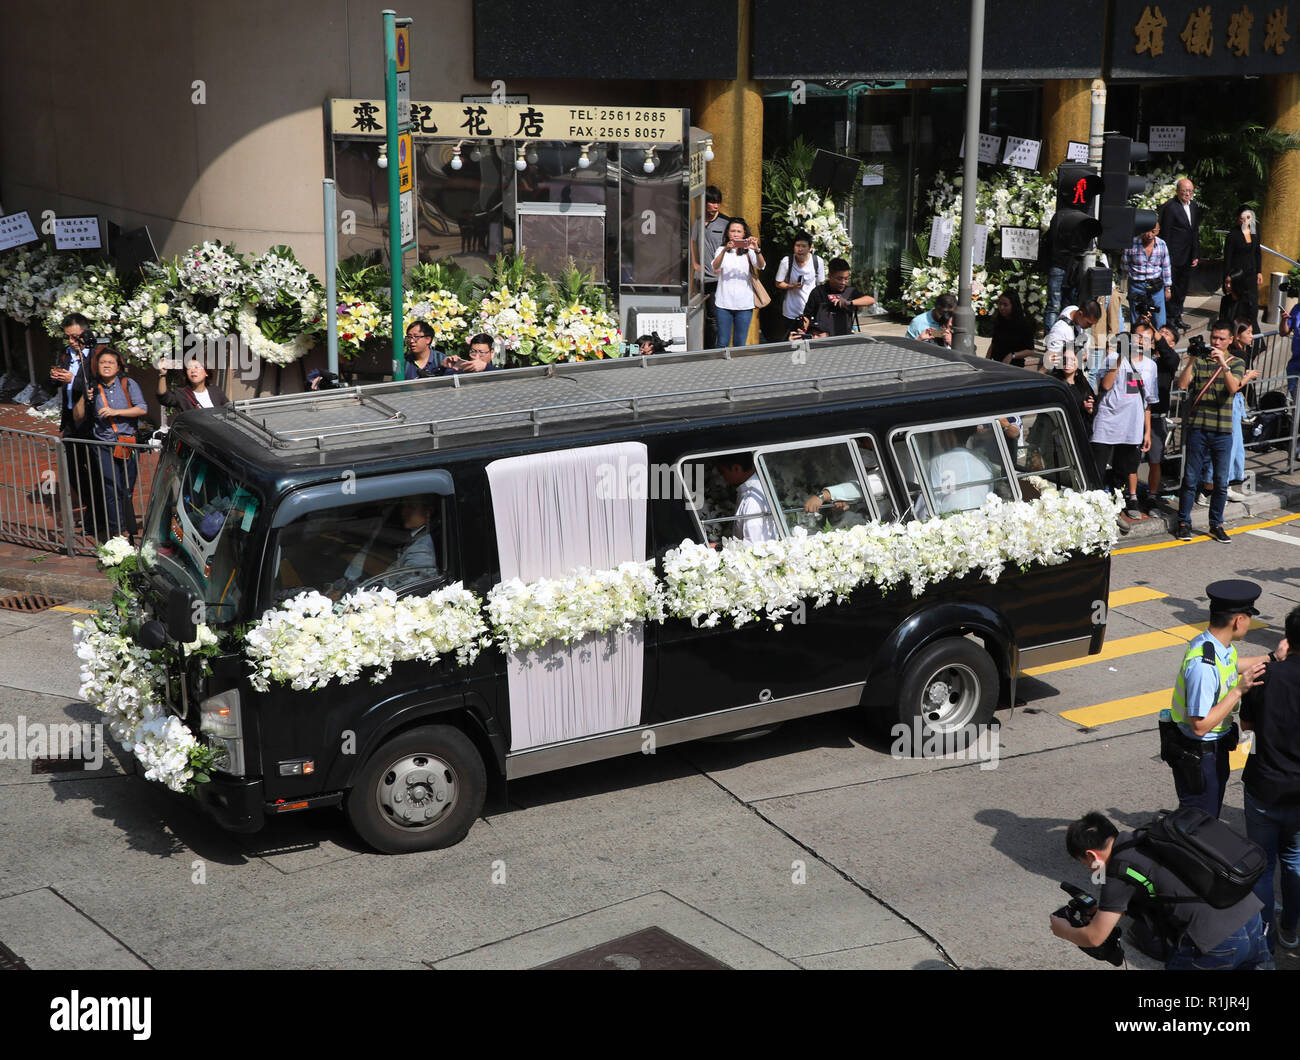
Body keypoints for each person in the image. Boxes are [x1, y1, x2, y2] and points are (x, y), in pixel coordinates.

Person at [1051, 811, 1272, 970]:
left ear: (1091, 855)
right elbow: (1167, 884)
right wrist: (1108, 911)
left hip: (1214, 943)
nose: (1090, 869)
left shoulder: (1118, 870)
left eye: (1085, 863)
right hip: (1251, 918)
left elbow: (1094, 937)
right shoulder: (1148, 837)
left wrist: (1063, 930)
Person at [1164, 580, 1272, 817]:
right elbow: (1200, 725)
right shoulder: (1203, 665)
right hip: (1200, 757)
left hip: (1213, 752)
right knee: (1200, 825)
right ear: (1238, 620)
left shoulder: (1215, 645)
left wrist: (1271, 657)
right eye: (1249, 617)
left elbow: (1232, 666)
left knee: (1205, 819)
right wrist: (1239, 691)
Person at [1240, 605, 1300, 952]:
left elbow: (1247, 725)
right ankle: (1290, 929)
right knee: (1294, 861)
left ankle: (1264, 941)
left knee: (1262, 865)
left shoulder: (1267, 675)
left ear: (1288, 640)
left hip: (1264, 786)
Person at [1174, 320, 1244, 542]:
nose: (1216, 342)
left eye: (1222, 339)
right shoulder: (1201, 359)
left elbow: (1233, 388)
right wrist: (1192, 359)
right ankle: (1184, 522)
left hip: (1222, 431)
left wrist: (1223, 364)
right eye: (1214, 337)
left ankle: (1216, 523)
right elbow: (1183, 385)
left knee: (1221, 481)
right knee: (1191, 478)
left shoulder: (1237, 362)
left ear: (1231, 340)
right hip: (1198, 428)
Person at [74, 349, 147, 542]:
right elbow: (78, 417)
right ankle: (117, 531)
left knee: (127, 488)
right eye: (102, 362)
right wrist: (84, 397)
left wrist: (116, 411)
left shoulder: (128, 384)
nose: (106, 365)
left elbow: (142, 408)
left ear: (118, 366)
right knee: (111, 487)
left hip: (127, 443)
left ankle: (128, 527)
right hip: (103, 445)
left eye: (110, 362)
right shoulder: (93, 387)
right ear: (97, 367)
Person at [1090, 323, 1158, 519]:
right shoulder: (1112, 358)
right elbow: (1105, 384)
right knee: (1098, 466)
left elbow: (1148, 402)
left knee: (1124, 468)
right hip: (1108, 421)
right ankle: (1093, 505)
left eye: (1145, 339)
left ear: (1151, 344)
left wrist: (1147, 431)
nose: (1139, 341)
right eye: (1136, 336)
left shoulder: (1151, 366)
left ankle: (1116, 503)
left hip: (1132, 425)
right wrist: (1120, 358)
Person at [1143, 325, 1183, 509]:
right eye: (1160, 331)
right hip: (1137, 413)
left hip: (1157, 416)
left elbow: (1167, 354)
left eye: (1166, 334)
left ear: (1173, 343)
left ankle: (1152, 494)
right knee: (1130, 458)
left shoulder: (1171, 359)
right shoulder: (1143, 355)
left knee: (1155, 459)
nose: (1160, 335)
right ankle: (1130, 493)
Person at [710, 217, 765, 348]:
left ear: (744, 233)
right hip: (724, 303)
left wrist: (757, 249)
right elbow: (715, 267)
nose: (735, 234)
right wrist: (725, 250)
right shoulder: (721, 249)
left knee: (740, 343)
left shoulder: (749, 251)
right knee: (722, 341)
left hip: (744, 304)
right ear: (727, 233)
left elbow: (761, 265)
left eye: (739, 231)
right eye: (732, 231)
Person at [1158, 178, 1201, 333]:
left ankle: (1178, 316)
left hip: (1188, 255)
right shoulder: (1171, 207)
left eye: (1190, 191)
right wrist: (1165, 257)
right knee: (1172, 288)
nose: (1187, 194)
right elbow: (1166, 233)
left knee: (1183, 288)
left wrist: (1195, 253)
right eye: (1184, 191)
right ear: (1177, 191)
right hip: (1173, 255)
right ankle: (1170, 319)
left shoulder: (1194, 206)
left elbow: (1194, 231)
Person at [1226, 319, 1262, 499]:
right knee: (1231, 446)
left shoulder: (1241, 353)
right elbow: (1235, 384)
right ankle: (1222, 486)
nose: (1251, 336)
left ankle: (1227, 484)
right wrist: (1248, 376)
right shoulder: (1238, 356)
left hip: (1235, 404)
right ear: (1237, 336)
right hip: (1231, 404)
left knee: (1236, 446)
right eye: (1248, 332)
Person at [691, 186, 730, 348]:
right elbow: (692, 242)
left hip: (717, 278)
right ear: (705, 203)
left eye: (717, 202)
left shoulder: (726, 222)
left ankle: (712, 349)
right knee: (702, 315)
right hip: (700, 278)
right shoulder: (699, 221)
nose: (715, 205)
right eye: (712, 202)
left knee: (714, 317)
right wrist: (695, 263)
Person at [800, 258, 876, 338]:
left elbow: (871, 300)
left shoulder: (851, 291)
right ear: (829, 276)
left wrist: (849, 302)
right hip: (822, 340)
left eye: (846, 279)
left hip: (844, 339)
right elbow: (807, 316)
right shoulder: (818, 292)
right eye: (839, 279)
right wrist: (804, 330)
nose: (843, 282)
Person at [714, 454, 777, 543]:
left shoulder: (752, 500)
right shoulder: (756, 486)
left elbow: (752, 545)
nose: (722, 476)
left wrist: (719, 547)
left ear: (736, 468)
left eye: (722, 472)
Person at [774, 231, 825, 336]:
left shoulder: (817, 261)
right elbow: (778, 283)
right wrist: (791, 286)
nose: (800, 249)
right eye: (797, 245)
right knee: (791, 343)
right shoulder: (787, 261)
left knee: (810, 343)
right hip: (791, 311)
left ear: (810, 248)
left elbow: (820, 285)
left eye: (803, 246)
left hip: (810, 311)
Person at [1121, 223, 1172, 330]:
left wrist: (1167, 288)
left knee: (1159, 319)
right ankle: (1137, 345)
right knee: (1137, 318)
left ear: (1158, 230)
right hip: (1137, 286)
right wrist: (1135, 274)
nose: (1149, 235)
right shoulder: (1132, 243)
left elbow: (1166, 267)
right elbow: (1125, 264)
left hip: (1156, 286)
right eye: (1147, 231)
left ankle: (1158, 344)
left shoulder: (1162, 244)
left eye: (1153, 231)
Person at [1223, 206, 1263, 330]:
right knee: (1239, 306)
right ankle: (1237, 333)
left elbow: (1257, 253)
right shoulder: (1232, 235)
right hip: (1238, 275)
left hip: (1251, 275)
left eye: (1248, 217)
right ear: (1238, 219)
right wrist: (1227, 278)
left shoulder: (1254, 233)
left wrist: (1259, 272)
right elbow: (1227, 258)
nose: (1246, 220)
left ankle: (1252, 333)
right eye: (1242, 218)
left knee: (1253, 306)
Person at [1044, 301, 1102, 369]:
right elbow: (1049, 361)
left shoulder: (1073, 309)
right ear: (1080, 314)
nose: (1090, 326)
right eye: (1088, 323)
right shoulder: (1060, 330)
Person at [157, 357, 228, 411]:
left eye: (197, 367)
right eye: (189, 368)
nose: (193, 370)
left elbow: (228, 408)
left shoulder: (215, 391)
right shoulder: (181, 394)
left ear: (206, 373)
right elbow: (164, 398)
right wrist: (162, 375)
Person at [987, 288, 1036, 365]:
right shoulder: (999, 320)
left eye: (1005, 305)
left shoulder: (1023, 325)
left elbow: (1030, 351)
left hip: (1014, 365)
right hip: (996, 364)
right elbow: (993, 343)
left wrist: (1012, 355)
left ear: (1013, 306)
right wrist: (986, 361)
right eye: (1000, 304)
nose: (1001, 308)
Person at [1280, 296, 1300, 399]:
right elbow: (1283, 332)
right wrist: (1284, 320)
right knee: (1296, 405)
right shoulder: (1297, 309)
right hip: (1295, 366)